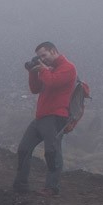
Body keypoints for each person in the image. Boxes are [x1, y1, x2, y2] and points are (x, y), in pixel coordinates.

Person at [12, 41, 79, 196]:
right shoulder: (49, 69)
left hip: (56, 117)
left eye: (44, 55)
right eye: (39, 56)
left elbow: (53, 82)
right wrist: (32, 71)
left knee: (52, 152)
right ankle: (21, 184)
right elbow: (35, 89)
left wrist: (42, 69)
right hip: (41, 117)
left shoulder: (68, 68)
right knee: (24, 149)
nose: (42, 59)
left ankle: (51, 188)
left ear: (54, 51)